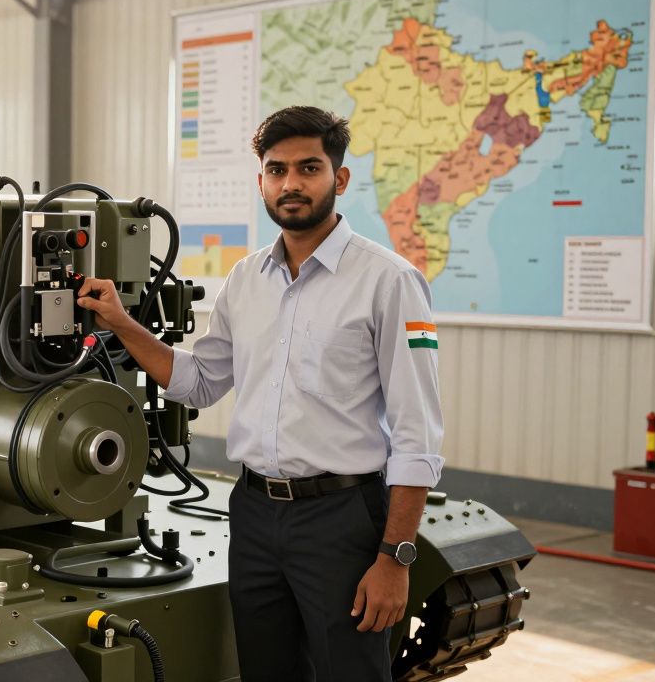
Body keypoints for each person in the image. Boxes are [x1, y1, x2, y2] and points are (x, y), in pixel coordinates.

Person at [76, 105, 444, 681]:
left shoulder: (389, 282)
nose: (290, 184)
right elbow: (197, 383)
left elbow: (418, 433)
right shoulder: (246, 279)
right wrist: (121, 322)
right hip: (252, 515)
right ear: (261, 182)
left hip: (341, 520)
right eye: (276, 171)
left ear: (339, 179)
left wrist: (396, 557)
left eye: (308, 168)